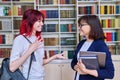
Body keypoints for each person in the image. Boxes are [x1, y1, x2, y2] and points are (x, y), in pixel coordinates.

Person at [9, 9, 65, 80]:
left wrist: (54, 57)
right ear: (30, 21)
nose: (42, 24)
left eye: (42, 21)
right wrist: (30, 50)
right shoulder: (20, 39)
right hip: (28, 77)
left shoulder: (39, 39)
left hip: (41, 77)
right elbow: (12, 67)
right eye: (39, 21)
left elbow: (39, 63)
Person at [71, 15, 114, 80]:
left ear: (92, 26)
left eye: (81, 25)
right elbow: (73, 62)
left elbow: (109, 73)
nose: (79, 28)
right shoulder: (81, 43)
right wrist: (76, 67)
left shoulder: (100, 45)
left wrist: (85, 71)